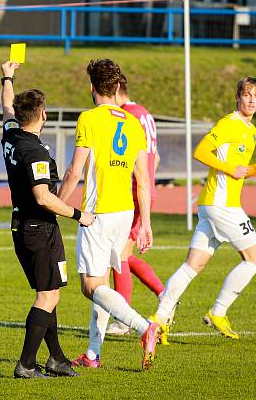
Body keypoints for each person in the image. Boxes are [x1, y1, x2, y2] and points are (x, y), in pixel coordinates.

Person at [151, 77, 256, 340]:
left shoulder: (251, 131)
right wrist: (231, 168)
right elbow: (201, 151)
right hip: (223, 206)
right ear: (238, 97)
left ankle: (158, 320)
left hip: (213, 205)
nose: (252, 100)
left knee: (192, 265)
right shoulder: (228, 124)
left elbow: (238, 173)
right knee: (254, 259)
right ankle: (218, 311)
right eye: (247, 95)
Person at [58, 59, 161, 371]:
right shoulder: (133, 123)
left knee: (90, 287)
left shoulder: (88, 119)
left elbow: (75, 170)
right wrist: (146, 223)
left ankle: (144, 327)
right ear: (117, 88)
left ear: (92, 88)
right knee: (102, 283)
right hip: (125, 214)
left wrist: (56, 205)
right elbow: (143, 179)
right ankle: (93, 354)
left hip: (97, 214)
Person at [0, 60, 94, 379]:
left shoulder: (11, 135)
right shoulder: (35, 152)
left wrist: (7, 76)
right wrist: (80, 215)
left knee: (48, 289)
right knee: (48, 295)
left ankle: (56, 358)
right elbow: (42, 196)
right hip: (38, 227)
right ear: (43, 115)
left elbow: (6, 108)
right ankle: (26, 364)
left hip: (21, 225)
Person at [107, 74, 167, 339]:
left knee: (119, 257)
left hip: (133, 193)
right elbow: (155, 160)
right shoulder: (145, 114)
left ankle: (124, 318)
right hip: (144, 190)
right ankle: (164, 293)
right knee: (122, 254)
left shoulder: (126, 117)